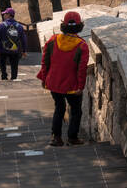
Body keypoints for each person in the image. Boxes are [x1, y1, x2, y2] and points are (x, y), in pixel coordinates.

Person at [37, 11, 89, 147]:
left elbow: (45, 61)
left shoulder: (53, 40)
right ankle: (72, 138)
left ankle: (56, 138)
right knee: (76, 110)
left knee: (59, 108)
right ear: (80, 26)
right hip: (72, 85)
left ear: (63, 25)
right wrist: (80, 86)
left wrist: (44, 78)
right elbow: (81, 69)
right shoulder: (82, 45)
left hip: (54, 83)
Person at [0, 7, 29, 80]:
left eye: (5, 14)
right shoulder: (19, 26)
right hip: (14, 50)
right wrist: (24, 50)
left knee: (2, 63)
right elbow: (23, 39)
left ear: (9, 15)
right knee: (14, 64)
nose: (4, 15)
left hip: (3, 49)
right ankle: (14, 77)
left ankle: (4, 76)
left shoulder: (2, 25)